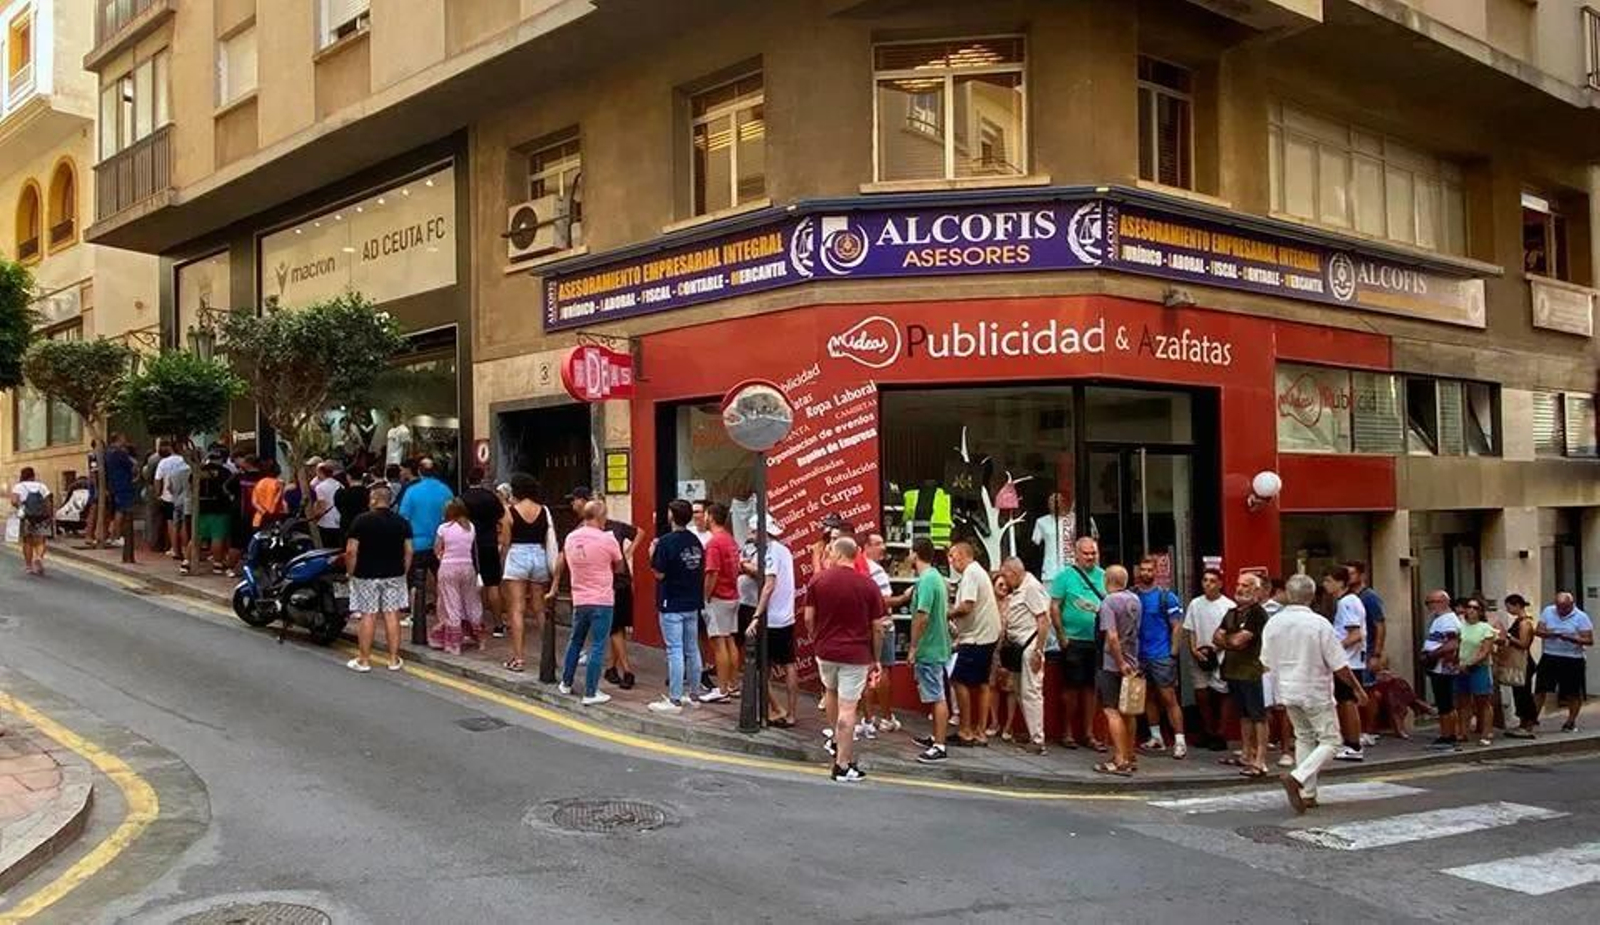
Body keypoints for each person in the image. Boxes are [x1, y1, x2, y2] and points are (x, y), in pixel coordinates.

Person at [1263, 574, 1369, 814]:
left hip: (1287, 689)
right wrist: (1357, 688)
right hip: (1315, 689)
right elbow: (1339, 664)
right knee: (1331, 740)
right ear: (1311, 597)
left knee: (1304, 737)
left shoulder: (1274, 624)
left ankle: (1308, 793)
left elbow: (1266, 661)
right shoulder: (1320, 624)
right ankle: (1299, 777)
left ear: (1289, 595)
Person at [805, 537, 884, 783]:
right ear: (855, 554)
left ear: (837, 554)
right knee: (849, 708)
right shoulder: (869, 586)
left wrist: (815, 637)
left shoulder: (818, 580)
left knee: (830, 691)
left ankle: (836, 741)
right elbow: (878, 627)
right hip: (856, 653)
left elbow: (808, 617)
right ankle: (843, 763)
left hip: (825, 650)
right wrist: (876, 657)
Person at [567, 488, 640, 691]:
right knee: (612, 631)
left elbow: (638, 533)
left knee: (618, 629)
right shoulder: (585, 533)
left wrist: (629, 552)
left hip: (618, 584)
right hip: (603, 589)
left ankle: (612, 667)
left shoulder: (614, 528)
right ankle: (624, 670)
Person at [558, 500, 623, 706]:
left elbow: (567, 561)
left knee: (575, 640)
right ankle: (591, 691)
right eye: (604, 516)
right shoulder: (607, 539)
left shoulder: (570, 538)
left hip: (579, 598)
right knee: (597, 645)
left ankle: (566, 683)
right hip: (602, 599)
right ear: (599, 517)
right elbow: (619, 565)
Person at [344, 484, 411, 673]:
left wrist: (350, 571)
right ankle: (393, 659)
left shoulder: (361, 521)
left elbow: (351, 551)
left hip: (366, 574)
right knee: (392, 614)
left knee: (368, 614)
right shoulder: (401, 522)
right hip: (394, 574)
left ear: (373, 499)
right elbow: (409, 551)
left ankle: (364, 660)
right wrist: (404, 571)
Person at [649, 499, 705, 714]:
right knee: (692, 648)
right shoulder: (695, 541)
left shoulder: (665, 542)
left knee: (675, 650)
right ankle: (694, 694)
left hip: (671, 601)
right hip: (692, 601)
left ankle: (674, 699)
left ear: (672, 516)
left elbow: (659, 573)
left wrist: (652, 552)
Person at [1048, 537, 1104, 751]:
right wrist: (1061, 635)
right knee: (1071, 689)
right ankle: (1067, 732)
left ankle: (1089, 733)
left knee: (1091, 688)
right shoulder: (1064, 577)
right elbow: (1054, 606)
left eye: (1093, 553)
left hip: (1095, 641)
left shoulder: (1103, 576)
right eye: (1087, 553)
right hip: (1073, 641)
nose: (1091, 557)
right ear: (1077, 554)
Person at [501, 474, 561, 673]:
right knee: (539, 607)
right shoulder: (543, 510)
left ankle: (518, 658)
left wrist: (502, 562)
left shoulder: (509, 512)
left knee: (516, 608)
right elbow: (548, 538)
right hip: (539, 555)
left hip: (517, 555)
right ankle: (548, 653)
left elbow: (506, 542)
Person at [742, 514, 798, 727]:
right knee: (789, 663)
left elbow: (769, 584)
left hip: (772, 618)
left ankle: (778, 709)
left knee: (759, 668)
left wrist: (756, 616)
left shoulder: (772, 552)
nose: (750, 535)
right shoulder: (783, 550)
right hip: (786, 616)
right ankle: (790, 713)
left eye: (753, 531)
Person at [1215, 573, 1271, 777]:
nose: (1240, 589)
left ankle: (1260, 760)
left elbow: (1238, 641)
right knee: (1244, 715)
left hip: (1252, 671)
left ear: (1256, 590)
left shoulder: (1258, 614)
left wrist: (1227, 640)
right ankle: (1246, 754)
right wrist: (1231, 640)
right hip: (1233, 670)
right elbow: (1217, 637)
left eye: (1246, 585)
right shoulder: (1231, 612)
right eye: (1238, 584)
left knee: (1258, 715)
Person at [947, 541, 1001, 748]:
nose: (951, 561)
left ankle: (966, 730)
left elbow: (967, 606)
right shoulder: (978, 572)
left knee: (959, 680)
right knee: (982, 683)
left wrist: (946, 614)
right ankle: (980, 731)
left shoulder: (970, 573)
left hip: (976, 637)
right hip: (987, 634)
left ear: (962, 555)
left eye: (952, 556)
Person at [1133, 555, 1188, 758]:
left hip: (1161, 654)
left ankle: (1180, 740)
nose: (1146, 573)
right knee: (1147, 697)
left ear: (1156, 572)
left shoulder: (1167, 597)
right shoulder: (1133, 595)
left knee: (1169, 698)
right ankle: (1156, 737)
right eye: (1143, 570)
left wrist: (1173, 652)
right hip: (1140, 655)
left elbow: (1177, 626)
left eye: (1150, 570)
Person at [997, 557, 1050, 754]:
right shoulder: (1020, 589)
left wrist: (1038, 650)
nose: (1004, 580)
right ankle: (1032, 733)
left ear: (1013, 573)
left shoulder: (1031, 588)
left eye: (1005, 575)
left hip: (1030, 647)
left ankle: (1037, 740)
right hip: (1019, 647)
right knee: (1020, 691)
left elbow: (1043, 620)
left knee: (1031, 693)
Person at [1093, 566, 1142, 777]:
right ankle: (1130, 755)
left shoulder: (1109, 602)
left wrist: (1119, 662)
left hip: (1112, 663)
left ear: (1107, 580)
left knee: (1111, 711)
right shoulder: (1135, 600)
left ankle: (1119, 759)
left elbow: (1111, 636)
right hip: (1134, 659)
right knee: (1128, 711)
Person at [907, 539, 952, 763]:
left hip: (930, 646)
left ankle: (940, 745)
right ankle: (936, 736)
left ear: (915, 554)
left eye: (910, 552)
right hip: (938, 644)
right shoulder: (935, 578)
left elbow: (922, 616)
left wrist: (913, 647)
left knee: (937, 696)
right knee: (936, 694)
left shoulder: (926, 581)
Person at [1183, 568, 1236, 751]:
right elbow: (1190, 630)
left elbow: (1232, 634)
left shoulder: (1228, 606)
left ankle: (1220, 733)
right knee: (1202, 694)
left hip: (1221, 656)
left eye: (1212, 581)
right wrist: (1193, 649)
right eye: (1205, 580)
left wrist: (1217, 649)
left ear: (1220, 584)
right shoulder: (1195, 604)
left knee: (1223, 694)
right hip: (1199, 655)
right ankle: (1208, 731)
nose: (1208, 584)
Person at [397, 458, 452, 628]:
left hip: (417, 543)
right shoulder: (446, 491)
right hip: (441, 544)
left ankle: (415, 616)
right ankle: (445, 613)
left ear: (419, 472)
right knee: (441, 581)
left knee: (415, 582)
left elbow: (403, 517)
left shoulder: (412, 491)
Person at [862, 533, 907, 735]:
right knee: (883, 670)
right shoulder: (876, 570)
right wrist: (903, 598)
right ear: (866, 547)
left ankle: (868, 718)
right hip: (882, 626)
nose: (883, 547)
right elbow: (884, 601)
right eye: (878, 544)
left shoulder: (857, 567)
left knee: (865, 672)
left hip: (862, 627)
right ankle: (887, 717)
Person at [1321, 566, 1368, 761]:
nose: (1325, 585)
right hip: (1348, 659)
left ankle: (1353, 744)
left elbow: (1356, 634)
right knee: (1343, 701)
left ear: (1340, 582)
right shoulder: (1344, 601)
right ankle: (1349, 741)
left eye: (1329, 581)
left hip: (1349, 661)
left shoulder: (1347, 602)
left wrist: (1335, 649)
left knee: (1347, 702)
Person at [698, 502, 742, 704]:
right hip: (733, 595)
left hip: (718, 597)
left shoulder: (714, 543)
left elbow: (712, 572)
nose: (703, 518)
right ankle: (732, 685)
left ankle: (722, 688)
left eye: (705, 515)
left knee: (718, 643)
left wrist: (706, 595)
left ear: (711, 517)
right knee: (730, 639)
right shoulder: (730, 540)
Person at [429, 498, 483, 656]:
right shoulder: (470, 527)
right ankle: (479, 637)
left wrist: (442, 557)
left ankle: (454, 643)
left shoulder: (443, 528)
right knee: (471, 602)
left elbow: (437, 549)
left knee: (451, 604)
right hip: (468, 567)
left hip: (448, 567)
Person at [1534, 592, 1593, 732]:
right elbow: (1538, 631)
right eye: (1559, 607)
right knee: (1540, 689)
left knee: (1572, 692)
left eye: (1565, 608)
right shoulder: (1548, 611)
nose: (1561, 611)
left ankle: (1571, 721)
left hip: (1572, 658)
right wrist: (1551, 634)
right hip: (1550, 655)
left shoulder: (1581, 617)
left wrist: (1572, 639)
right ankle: (1532, 719)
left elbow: (1589, 640)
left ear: (1572, 605)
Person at [460, 468, 508, 638]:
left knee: (470, 587)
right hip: (489, 543)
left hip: (470, 545)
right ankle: (498, 624)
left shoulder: (462, 499)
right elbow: (501, 517)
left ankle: (472, 624)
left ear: (467, 480)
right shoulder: (491, 497)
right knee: (493, 585)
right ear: (482, 479)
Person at [1347, 560, 1386, 747]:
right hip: (1352, 654)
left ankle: (1370, 731)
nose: (1348, 577)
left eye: (1352, 573)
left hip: (1366, 650)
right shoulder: (1347, 597)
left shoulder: (1369, 597)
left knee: (1368, 690)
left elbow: (1380, 624)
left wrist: (1376, 653)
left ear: (1361, 575)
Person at [1419, 589, 1463, 750]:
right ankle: (1447, 735)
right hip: (1440, 668)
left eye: (1431, 602)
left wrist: (1431, 655)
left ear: (1444, 602)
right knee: (1444, 703)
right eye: (1428, 603)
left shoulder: (1448, 621)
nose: (1429, 606)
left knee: (1445, 704)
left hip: (1443, 668)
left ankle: (1448, 736)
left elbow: (1452, 644)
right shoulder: (1440, 620)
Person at [1455, 596, 1499, 746]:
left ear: (1481, 612)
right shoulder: (1460, 625)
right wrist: (1457, 663)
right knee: (1463, 701)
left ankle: (1486, 733)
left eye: (1476, 608)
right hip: (1461, 667)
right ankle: (1463, 731)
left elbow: (1485, 651)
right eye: (1469, 607)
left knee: (1483, 701)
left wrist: (1471, 663)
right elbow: (1456, 645)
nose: (1472, 610)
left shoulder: (1485, 628)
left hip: (1478, 668)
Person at [1498, 593, 1540, 738]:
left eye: (1509, 607)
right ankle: (1522, 722)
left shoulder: (1524, 623)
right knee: (1519, 693)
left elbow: (1524, 643)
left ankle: (1528, 723)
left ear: (1516, 606)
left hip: (1524, 662)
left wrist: (1508, 637)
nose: (1508, 610)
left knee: (1524, 693)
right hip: (1518, 661)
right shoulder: (1519, 621)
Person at [194, 450, 235, 575]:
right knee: (217, 536)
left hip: (201, 507)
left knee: (198, 535)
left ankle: (187, 561)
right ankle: (217, 563)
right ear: (221, 459)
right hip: (220, 507)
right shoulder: (225, 472)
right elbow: (230, 489)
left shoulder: (198, 470)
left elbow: (191, 485)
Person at [11, 467, 52, 575]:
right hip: (41, 517)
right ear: (33, 476)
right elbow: (48, 502)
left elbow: (14, 501)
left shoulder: (19, 486)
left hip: (27, 517)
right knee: (41, 540)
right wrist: (49, 515)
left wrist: (21, 507)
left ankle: (29, 566)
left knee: (27, 541)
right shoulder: (42, 486)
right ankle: (38, 557)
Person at [1030, 491, 1076, 583]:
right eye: (1051, 502)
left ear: (1063, 503)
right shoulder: (1041, 522)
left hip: (1070, 568)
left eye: (1058, 501)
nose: (1055, 505)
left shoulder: (1072, 520)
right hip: (1050, 571)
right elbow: (1036, 541)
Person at [102, 435, 138, 548]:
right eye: (123, 439)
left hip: (114, 485)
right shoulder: (120, 453)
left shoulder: (107, 453)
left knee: (116, 511)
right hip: (123, 484)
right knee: (121, 511)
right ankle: (116, 536)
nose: (125, 440)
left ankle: (112, 535)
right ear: (118, 440)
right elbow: (132, 466)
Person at [166, 452, 192, 573]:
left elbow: (169, 487)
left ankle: (176, 550)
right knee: (185, 526)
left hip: (176, 500)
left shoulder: (175, 471)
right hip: (188, 500)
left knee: (176, 525)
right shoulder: (191, 470)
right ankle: (186, 549)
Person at [310, 461, 343, 550]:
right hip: (338, 519)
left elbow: (322, 505)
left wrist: (315, 516)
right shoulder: (339, 485)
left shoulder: (320, 487)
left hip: (326, 521)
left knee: (327, 547)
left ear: (321, 472)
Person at [251, 460, 287, 528]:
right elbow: (278, 500)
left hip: (258, 519)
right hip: (273, 519)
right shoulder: (278, 484)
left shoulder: (259, 483)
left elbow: (254, 502)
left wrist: (263, 511)